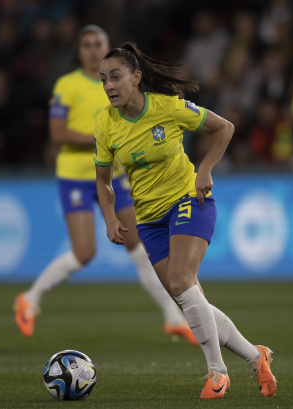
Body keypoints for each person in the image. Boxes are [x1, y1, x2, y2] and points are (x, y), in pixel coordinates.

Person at [94, 42, 277, 399]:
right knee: (190, 300)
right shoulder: (105, 122)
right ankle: (257, 356)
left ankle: (217, 374)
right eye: (103, 79)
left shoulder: (168, 107)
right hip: (148, 221)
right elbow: (102, 180)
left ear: (136, 77)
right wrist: (109, 217)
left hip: (188, 200)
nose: (109, 86)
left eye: (116, 77)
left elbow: (224, 128)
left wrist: (204, 170)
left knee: (180, 281)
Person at [13, 25, 196, 345]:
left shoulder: (119, 82)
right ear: (79, 52)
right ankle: (30, 298)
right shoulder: (67, 85)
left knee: (140, 248)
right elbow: (57, 134)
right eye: (87, 45)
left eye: (99, 43)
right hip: (77, 175)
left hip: (117, 176)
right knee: (84, 253)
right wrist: (102, 141)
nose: (93, 49)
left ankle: (173, 317)